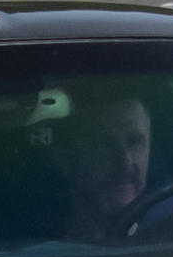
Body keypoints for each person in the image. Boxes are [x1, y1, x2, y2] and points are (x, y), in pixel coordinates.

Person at [49, 90, 154, 240]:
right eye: (104, 145)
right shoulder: (39, 253)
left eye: (135, 141)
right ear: (63, 159)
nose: (125, 163)